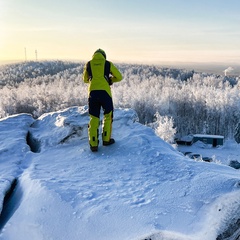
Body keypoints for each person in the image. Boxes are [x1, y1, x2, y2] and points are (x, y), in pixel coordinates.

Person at [83, 49, 123, 152]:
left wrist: (93, 79)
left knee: (94, 118)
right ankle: (106, 140)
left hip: (92, 93)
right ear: (104, 56)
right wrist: (110, 80)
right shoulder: (108, 64)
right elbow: (119, 77)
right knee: (108, 115)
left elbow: (85, 79)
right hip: (105, 93)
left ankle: (93, 144)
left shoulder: (89, 64)